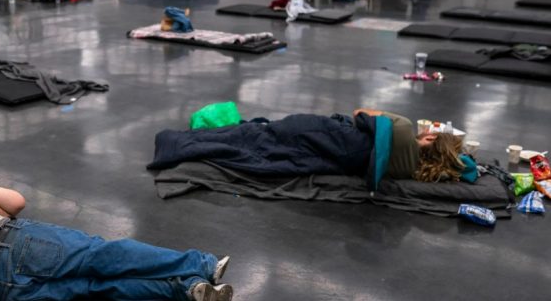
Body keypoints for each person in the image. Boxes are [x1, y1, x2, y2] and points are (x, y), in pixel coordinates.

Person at [0, 174, 233, 301]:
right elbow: (16, 205)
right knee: (101, 256)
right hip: (6, 244)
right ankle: (202, 265)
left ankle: (189, 292)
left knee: (96, 289)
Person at [148, 109, 466, 185]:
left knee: (248, 136)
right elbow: (468, 173)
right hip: (333, 155)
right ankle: (180, 145)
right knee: (249, 142)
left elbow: (359, 114)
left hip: (319, 132)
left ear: (430, 140)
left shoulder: (403, 129)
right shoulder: (408, 172)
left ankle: (172, 142)